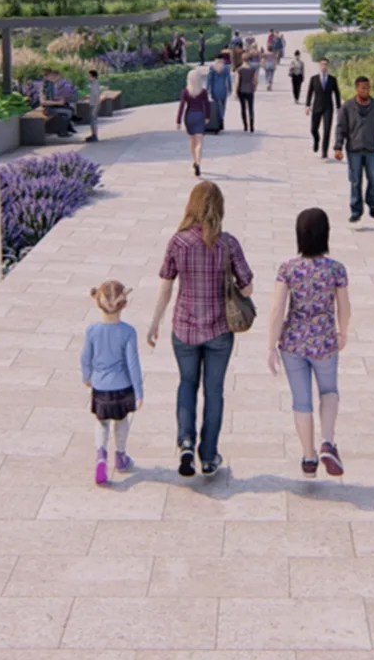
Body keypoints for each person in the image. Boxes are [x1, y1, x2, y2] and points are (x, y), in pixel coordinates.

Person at [146, 181, 253, 480]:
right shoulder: (228, 243)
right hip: (219, 329)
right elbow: (248, 286)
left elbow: (166, 287)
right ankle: (208, 457)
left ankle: (185, 442)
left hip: (184, 328)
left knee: (187, 384)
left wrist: (154, 322)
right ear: (219, 207)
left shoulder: (177, 242)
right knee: (214, 391)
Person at [266, 208, 350, 477]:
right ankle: (328, 441)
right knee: (329, 391)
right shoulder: (336, 269)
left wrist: (270, 345)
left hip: (293, 343)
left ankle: (309, 456)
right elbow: (344, 306)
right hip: (324, 340)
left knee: (301, 401)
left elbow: (277, 309)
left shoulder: (288, 268)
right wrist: (343, 331)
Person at [81, 279, 143, 486]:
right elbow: (133, 363)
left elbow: (85, 357)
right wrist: (139, 390)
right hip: (122, 385)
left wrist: (86, 376)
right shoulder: (128, 332)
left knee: (101, 422)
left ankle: (101, 456)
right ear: (123, 305)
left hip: (100, 385)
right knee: (122, 420)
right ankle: (121, 455)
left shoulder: (92, 331)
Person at [334, 75, 374, 223]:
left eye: (368, 88)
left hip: (371, 150)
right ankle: (356, 211)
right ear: (356, 89)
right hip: (354, 149)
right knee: (355, 181)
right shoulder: (347, 107)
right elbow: (341, 128)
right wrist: (338, 147)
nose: (366, 91)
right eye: (363, 88)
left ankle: (371, 202)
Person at [176, 66, 212, 177]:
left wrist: (178, 121)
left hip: (189, 116)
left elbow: (182, 106)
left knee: (192, 140)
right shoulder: (203, 92)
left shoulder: (185, 92)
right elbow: (207, 105)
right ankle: (198, 162)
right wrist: (207, 117)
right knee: (200, 141)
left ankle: (194, 160)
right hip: (200, 116)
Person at [305, 58, 341, 158]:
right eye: (322, 64)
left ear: (328, 66)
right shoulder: (314, 79)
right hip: (316, 107)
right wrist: (307, 106)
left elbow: (337, 94)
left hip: (328, 108)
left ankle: (324, 151)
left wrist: (339, 108)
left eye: (325, 64)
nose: (324, 66)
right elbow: (309, 93)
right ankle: (316, 140)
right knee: (313, 129)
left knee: (327, 130)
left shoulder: (332, 80)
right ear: (319, 66)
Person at [41, 68, 78, 136]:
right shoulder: (46, 85)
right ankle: (62, 132)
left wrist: (60, 98)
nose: (58, 79)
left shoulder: (51, 84)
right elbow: (43, 102)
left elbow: (52, 97)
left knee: (69, 110)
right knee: (68, 112)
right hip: (48, 109)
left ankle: (63, 130)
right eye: (57, 77)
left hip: (53, 107)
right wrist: (58, 103)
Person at [206, 53, 232, 135]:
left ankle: (217, 121)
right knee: (223, 106)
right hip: (223, 89)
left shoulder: (212, 67)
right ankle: (222, 118)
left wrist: (208, 89)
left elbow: (209, 79)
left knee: (216, 106)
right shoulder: (225, 68)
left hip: (214, 89)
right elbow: (229, 79)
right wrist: (230, 89)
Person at [234, 54, 259, 133]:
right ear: (249, 60)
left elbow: (237, 81)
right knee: (251, 108)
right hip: (250, 89)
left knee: (243, 108)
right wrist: (254, 88)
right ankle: (252, 126)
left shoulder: (239, 70)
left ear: (242, 59)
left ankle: (245, 126)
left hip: (241, 90)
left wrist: (235, 91)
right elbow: (256, 80)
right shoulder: (253, 69)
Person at [84, 68, 104, 144]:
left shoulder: (95, 85)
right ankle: (93, 135)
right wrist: (88, 97)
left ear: (93, 77)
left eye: (89, 76)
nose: (88, 78)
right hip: (94, 104)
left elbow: (97, 98)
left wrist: (94, 109)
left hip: (95, 105)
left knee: (93, 121)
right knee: (92, 121)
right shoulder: (94, 84)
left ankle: (94, 136)